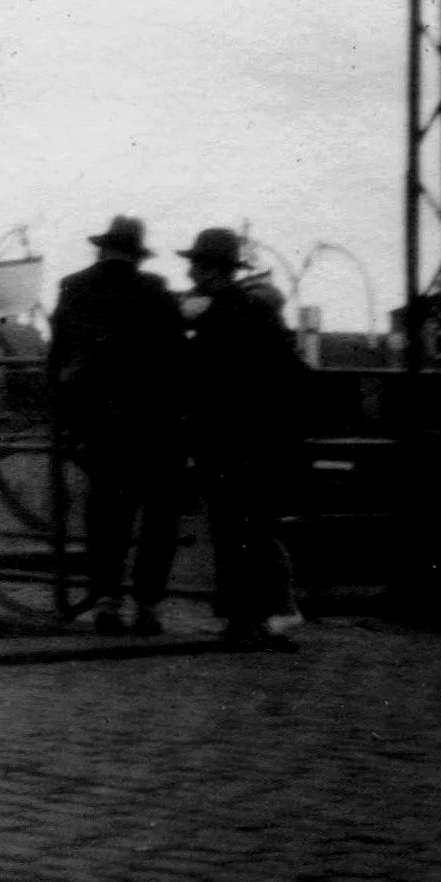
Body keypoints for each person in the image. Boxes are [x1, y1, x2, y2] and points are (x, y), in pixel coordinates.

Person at [46, 216, 190, 637]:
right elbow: (178, 361)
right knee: (158, 519)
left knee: (107, 513)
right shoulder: (155, 291)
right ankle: (147, 607)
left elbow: (56, 360)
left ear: (101, 248)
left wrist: (64, 419)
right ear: (136, 253)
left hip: (100, 424)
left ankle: (107, 601)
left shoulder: (73, 288)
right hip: (155, 424)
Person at [176, 227, 308, 652]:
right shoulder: (258, 313)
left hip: (223, 439)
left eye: (197, 264)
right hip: (263, 438)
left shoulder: (209, 317)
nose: (191, 270)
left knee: (231, 531)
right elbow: (291, 374)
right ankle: (263, 616)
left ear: (212, 270)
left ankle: (246, 618)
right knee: (256, 528)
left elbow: (196, 379)